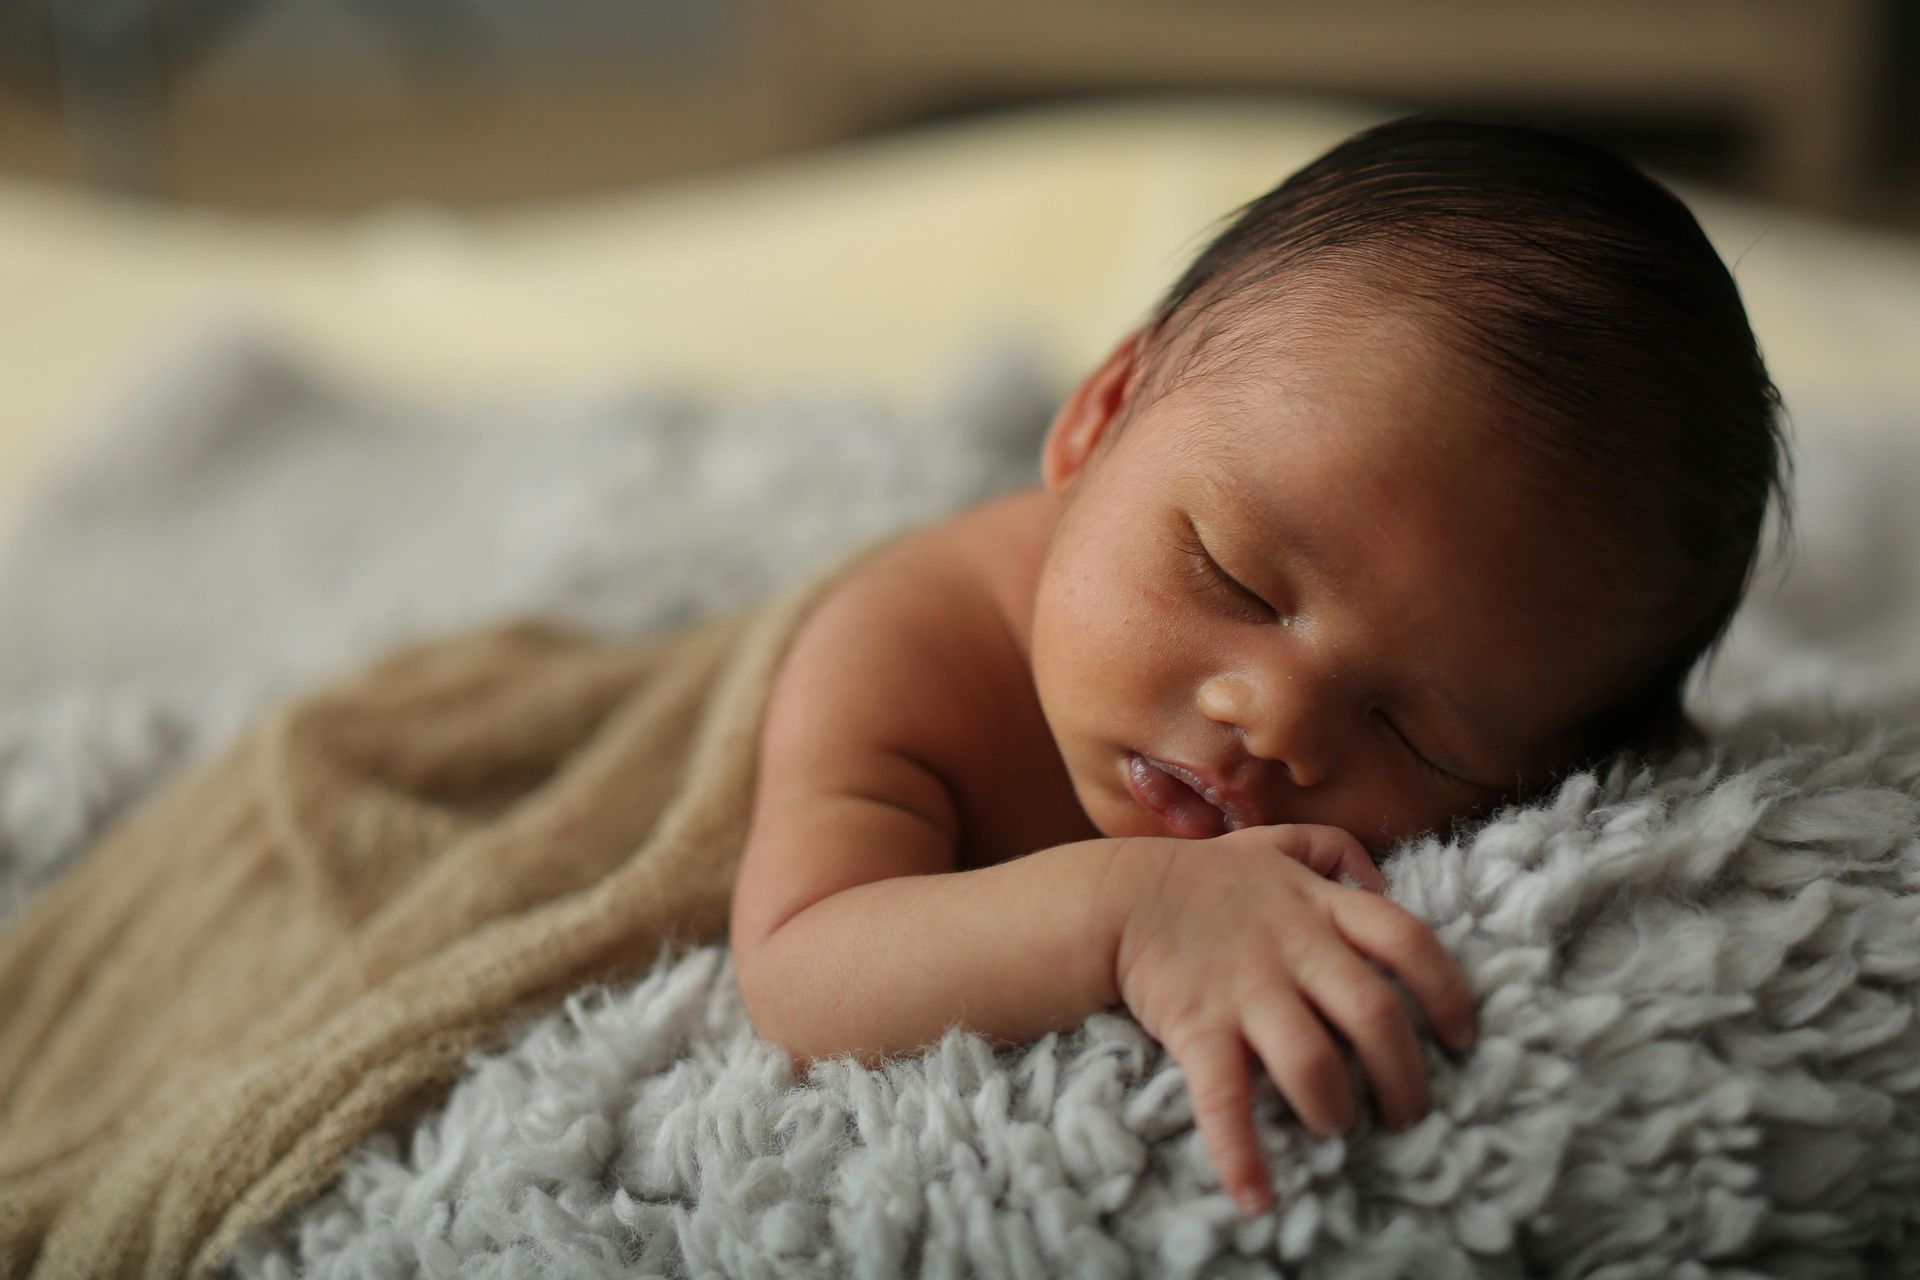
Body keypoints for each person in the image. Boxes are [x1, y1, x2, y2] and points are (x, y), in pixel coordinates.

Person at [727, 115, 1790, 1219]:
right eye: (1232, 577)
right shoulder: (913, 639)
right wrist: (1125, 913)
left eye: (1412, 729)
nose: (1274, 718)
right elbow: (800, 972)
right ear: (1095, 421)